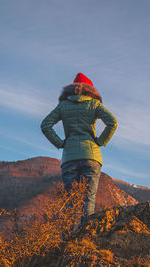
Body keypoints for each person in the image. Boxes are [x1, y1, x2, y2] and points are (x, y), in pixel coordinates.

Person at [41, 73, 117, 223]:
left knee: (70, 200)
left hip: (69, 156)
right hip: (91, 156)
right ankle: (84, 237)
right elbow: (112, 122)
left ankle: (66, 240)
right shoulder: (94, 104)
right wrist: (100, 141)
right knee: (88, 199)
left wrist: (60, 143)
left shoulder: (63, 105)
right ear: (91, 90)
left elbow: (45, 125)